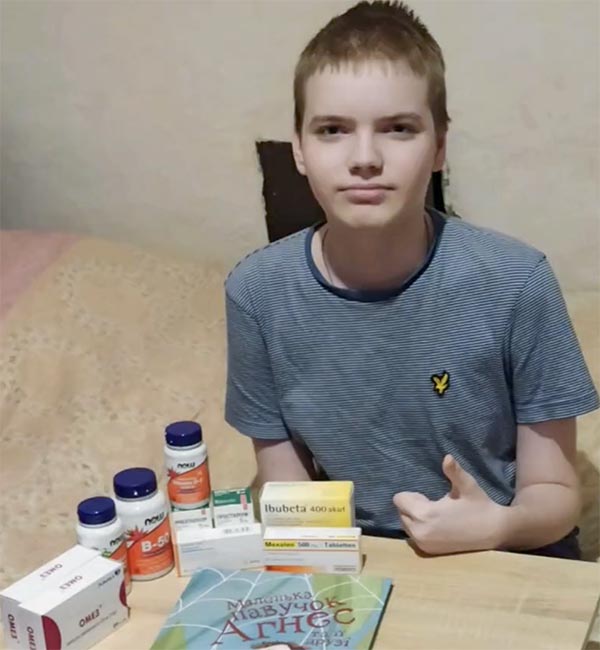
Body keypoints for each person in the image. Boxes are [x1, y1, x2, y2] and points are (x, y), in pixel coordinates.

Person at [224, 1, 598, 558]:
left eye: (398, 129)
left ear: (440, 146)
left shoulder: (516, 281)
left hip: (505, 553)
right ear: (299, 149)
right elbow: (285, 486)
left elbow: (555, 496)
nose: (366, 158)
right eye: (332, 130)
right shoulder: (256, 293)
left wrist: (493, 527)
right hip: (352, 558)